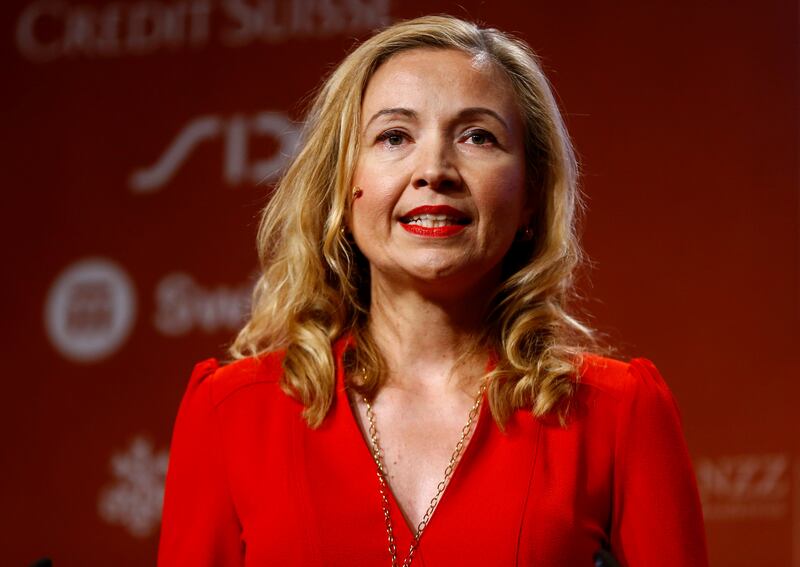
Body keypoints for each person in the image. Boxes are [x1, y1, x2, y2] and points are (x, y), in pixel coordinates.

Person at [158, 15, 708, 567]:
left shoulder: (616, 413)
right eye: (394, 136)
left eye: (477, 137)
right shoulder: (230, 413)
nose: (434, 170)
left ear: (531, 195)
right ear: (342, 189)